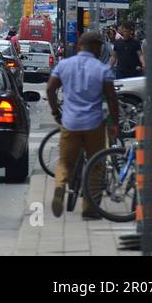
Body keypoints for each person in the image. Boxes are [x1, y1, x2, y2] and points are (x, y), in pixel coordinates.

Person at [47, 31, 120, 219]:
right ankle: (89, 208)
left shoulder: (64, 65)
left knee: (65, 162)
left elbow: (50, 88)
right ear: (97, 48)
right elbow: (112, 98)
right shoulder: (102, 69)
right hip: (94, 124)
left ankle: (60, 187)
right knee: (96, 165)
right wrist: (114, 123)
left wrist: (56, 112)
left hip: (70, 122)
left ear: (79, 46)